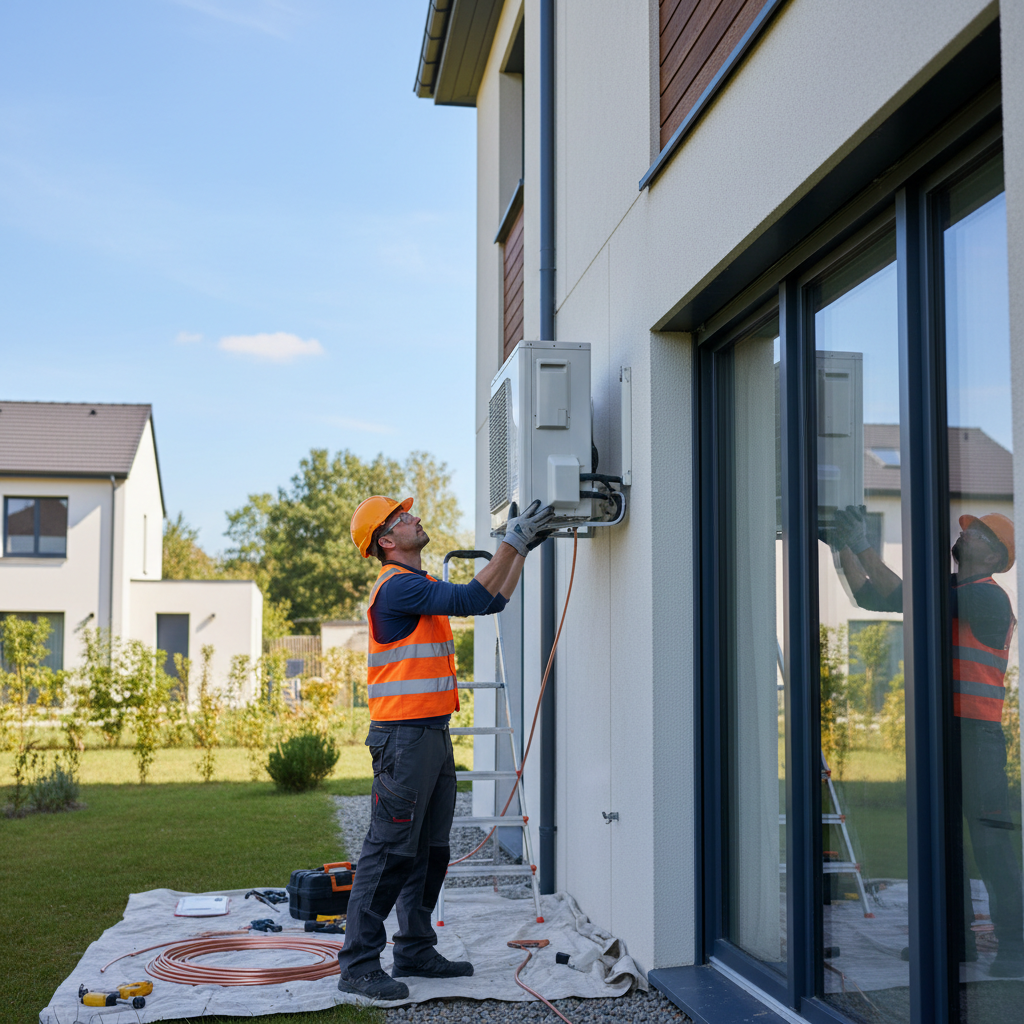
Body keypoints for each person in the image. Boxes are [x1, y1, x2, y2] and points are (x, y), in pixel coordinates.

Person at [336, 495, 554, 1001]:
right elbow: (470, 600)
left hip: (429, 734)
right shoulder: (397, 587)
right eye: (400, 517)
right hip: (402, 739)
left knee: (431, 853)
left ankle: (413, 947)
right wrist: (511, 541)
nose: (413, 517)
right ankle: (359, 965)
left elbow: (492, 600)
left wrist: (519, 551)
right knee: (389, 852)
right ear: (386, 541)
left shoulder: (419, 584)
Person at [832, 505, 1023, 977]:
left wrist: (860, 542)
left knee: (991, 845)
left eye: (976, 533)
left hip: (977, 736)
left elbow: (901, 591)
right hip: (947, 733)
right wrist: (841, 549)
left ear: (994, 555)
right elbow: (869, 597)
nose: (966, 534)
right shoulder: (954, 589)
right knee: (944, 843)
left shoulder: (986, 597)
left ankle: (1017, 947)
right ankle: (957, 944)